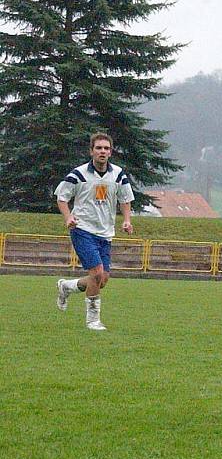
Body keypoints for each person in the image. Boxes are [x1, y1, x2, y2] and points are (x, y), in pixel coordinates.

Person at [54, 132, 134, 331]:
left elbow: (125, 199)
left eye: (106, 148)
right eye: (98, 148)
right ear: (91, 151)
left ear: (111, 152)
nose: (102, 151)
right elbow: (61, 197)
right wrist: (68, 217)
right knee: (97, 273)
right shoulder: (79, 174)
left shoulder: (118, 174)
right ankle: (93, 320)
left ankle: (67, 286)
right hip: (82, 229)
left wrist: (126, 220)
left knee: (102, 280)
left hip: (105, 233)